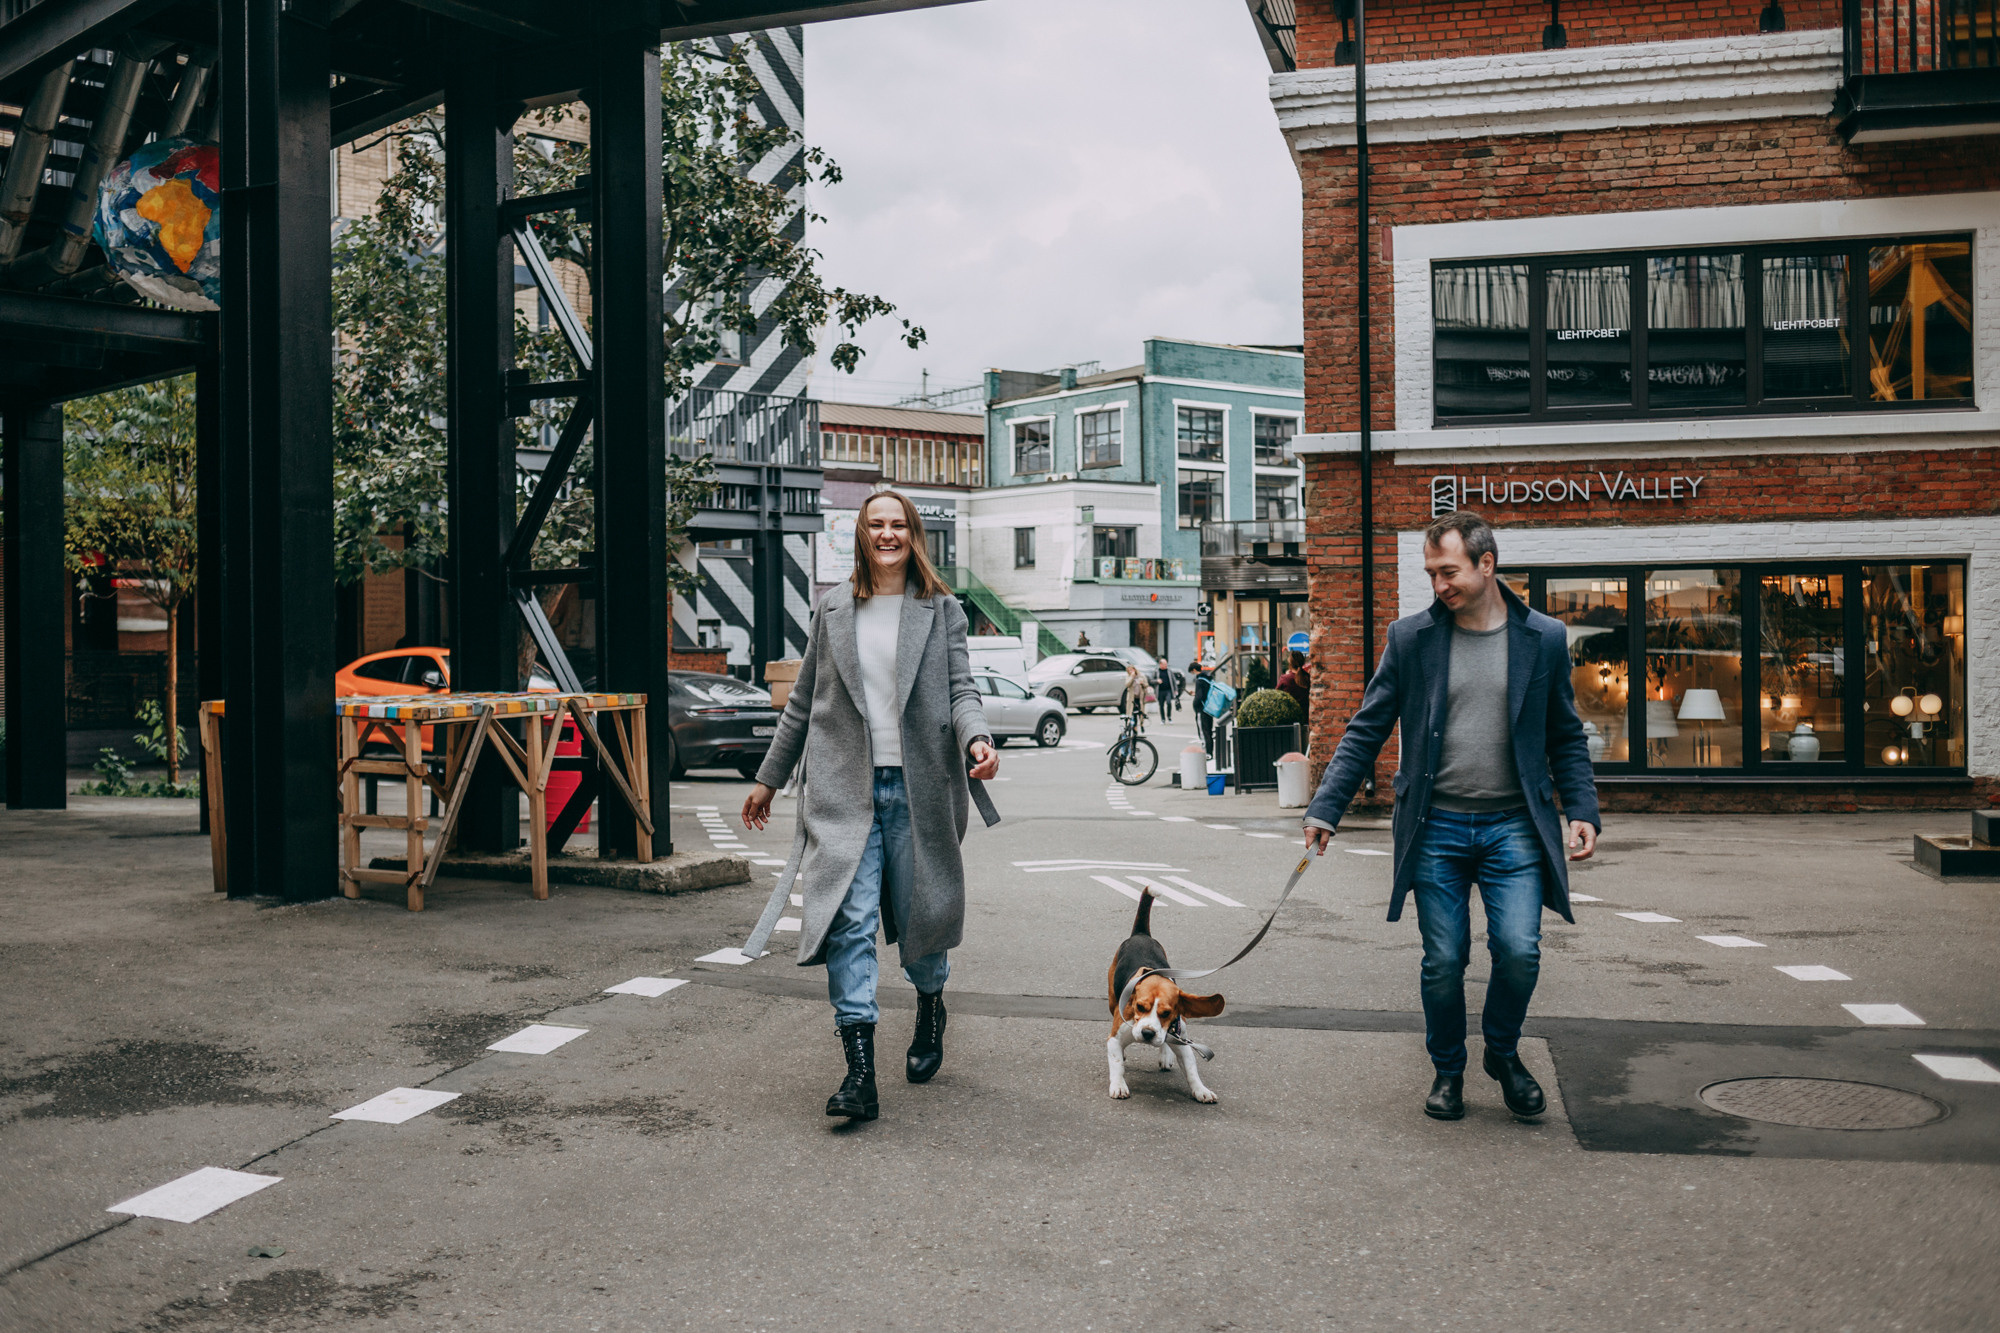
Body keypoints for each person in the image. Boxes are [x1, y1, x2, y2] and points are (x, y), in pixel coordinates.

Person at [1300, 511, 1599, 1123]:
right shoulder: (1413, 640)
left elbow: (1565, 736)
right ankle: (1448, 1070)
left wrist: (1582, 809)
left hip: (1515, 825)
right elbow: (1366, 729)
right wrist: (1326, 807)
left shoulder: (1543, 637)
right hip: (1435, 826)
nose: (1439, 584)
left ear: (1487, 565)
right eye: (1431, 573)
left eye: (1449, 571)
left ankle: (1503, 1053)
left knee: (1519, 951)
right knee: (1444, 959)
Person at [744, 490, 999, 1123]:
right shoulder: (833, 609)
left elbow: (961, 690)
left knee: (922, 927)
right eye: (875, 524)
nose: (887, 534)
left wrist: (978, 739)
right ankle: (860, 1074)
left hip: (919, 794)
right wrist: (768, 779)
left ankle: (930, 1003)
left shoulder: (942, 611)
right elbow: (804, 705)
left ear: (914, 535)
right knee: (850, 922)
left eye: (898, 525)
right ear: (862, 533)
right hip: (844, 794)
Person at [1188, 660, 1214, 754]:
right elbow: (1205, 693)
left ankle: (1206, 753)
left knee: (1203, 732)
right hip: (1209, 708)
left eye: (1192, 672)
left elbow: (1199, 697)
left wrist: (1195, 706)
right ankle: (1210, 752)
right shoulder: (1208, 678)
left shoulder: (1199, 681)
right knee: (1209, 732)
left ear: (1194, 670)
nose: (1192, 674)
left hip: (1201, 709)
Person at [1277, 649, 1311, 715]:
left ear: (1290, 664)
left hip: (1290, 716)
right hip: (1306, 715)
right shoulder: (1308, 677)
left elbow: (1276, 695)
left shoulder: (1285, 678)